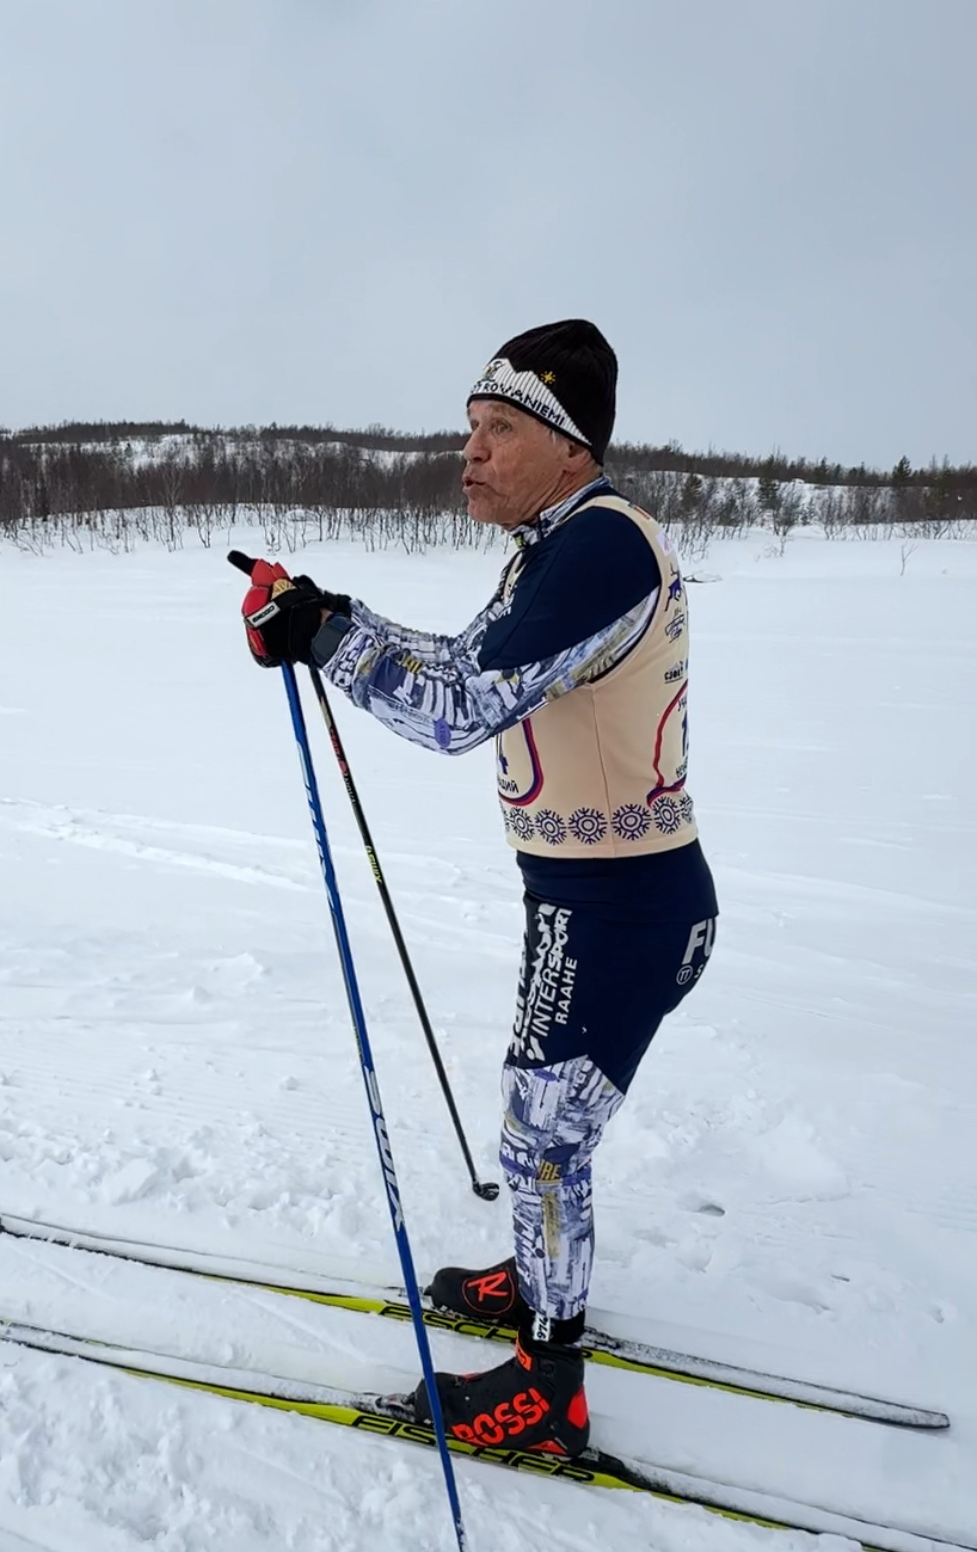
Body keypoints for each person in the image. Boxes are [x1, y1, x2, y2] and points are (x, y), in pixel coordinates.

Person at [239, 320, 717, 1461]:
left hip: (627, 908)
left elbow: (455, 713)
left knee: (542, 1143)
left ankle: (549, 1388)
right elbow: (461, 663)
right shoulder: (556, 543)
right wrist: (331, 618)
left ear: (569, 444)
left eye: (501, 430)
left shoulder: (603, 548)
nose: (472, 454)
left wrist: (326, 646)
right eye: (470, 431)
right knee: (535, 1125)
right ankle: (535, 1277)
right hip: (584, 899)